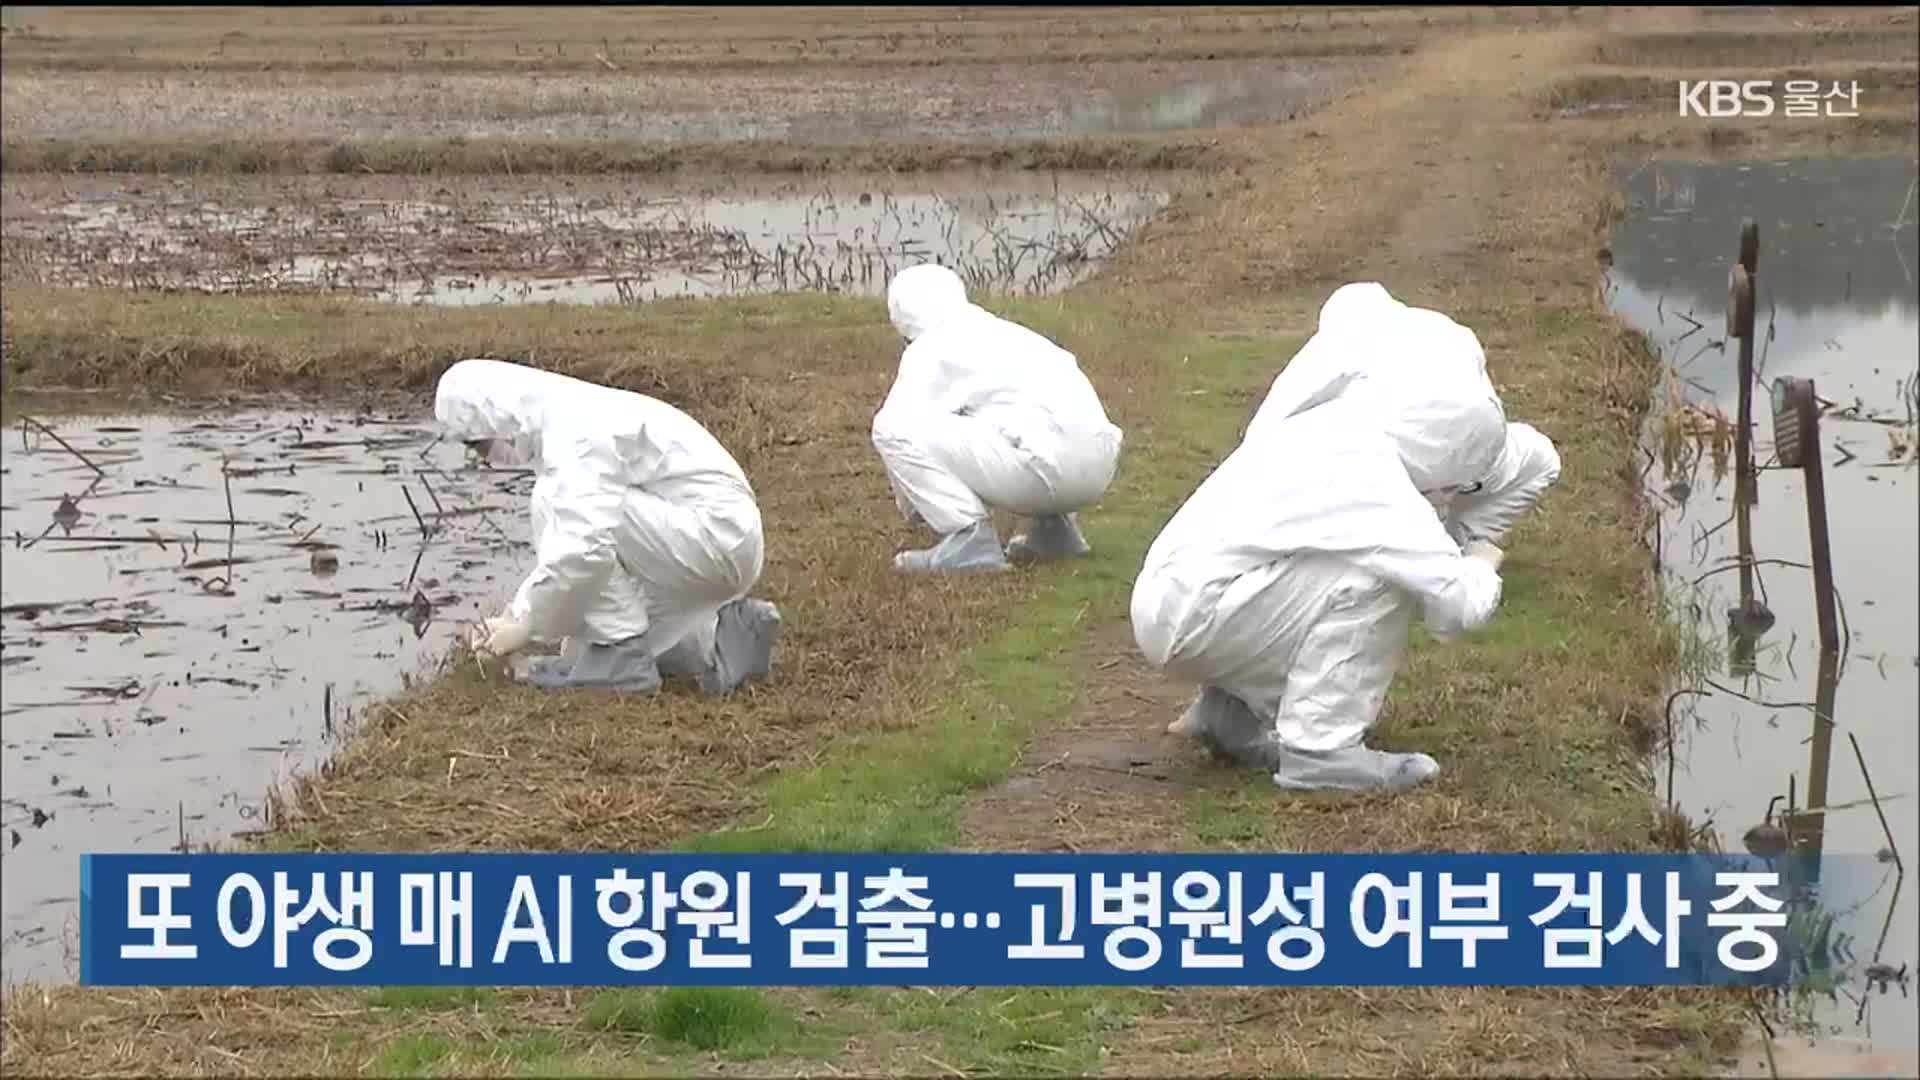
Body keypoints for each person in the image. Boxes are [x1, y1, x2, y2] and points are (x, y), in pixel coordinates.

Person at [1130, 367, 1510, 793]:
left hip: (1171, 600)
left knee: (1307, 566)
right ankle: (1322, 752)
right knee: (1377, 578)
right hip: (1202, 616)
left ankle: (1227, 716)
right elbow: (1460, 605)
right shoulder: (1374, 474)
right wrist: (1482, 559)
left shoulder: (1328, 426)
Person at [434, 358, 780, 694]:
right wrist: (515, 617)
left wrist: (527, 625)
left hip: (713, 538)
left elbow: (583, 552)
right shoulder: (572, 412)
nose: (483, 456)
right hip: (719, 541)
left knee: (557, 508)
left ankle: (624, 661)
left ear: (493, 416)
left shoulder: (572, 430)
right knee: (581, 650)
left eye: (476, 442)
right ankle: (724, 634)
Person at [1244, 282, 1561, 555]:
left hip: (1400, 452)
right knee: (1541, 460)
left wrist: (1248, 471)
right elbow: (1474, 386)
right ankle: (1457, 549)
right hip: (1484, 436)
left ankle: (1400, 554)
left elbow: (1283, 405)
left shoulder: (1341, 336)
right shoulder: (1439, 325)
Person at [870, 263, 1124, 572]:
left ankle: (969, 541)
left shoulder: (928, 349)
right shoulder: (1010, 333)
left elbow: (900, 428)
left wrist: (919, 506)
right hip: (1100, 468)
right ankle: (1055, 530)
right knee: (1015, 416)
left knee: (889, 427)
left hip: (1044, 473)